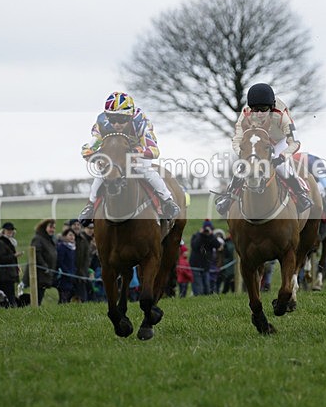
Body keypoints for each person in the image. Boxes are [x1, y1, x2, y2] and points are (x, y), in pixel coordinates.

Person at [78, 91, 180, 222]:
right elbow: (90, 146)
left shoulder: (140, 121)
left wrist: (137, 152)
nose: (116, 124)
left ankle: (167, 200)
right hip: (115, 155)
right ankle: (90, 206)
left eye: (122, 119)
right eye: (112, 119)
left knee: (143, 169)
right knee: (102, 174)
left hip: (138, 150)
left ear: (130, 116)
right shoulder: (102, 123)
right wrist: (92, 155)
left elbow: (154, 151)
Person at [215, 83, 313, 215]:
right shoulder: (245, 114)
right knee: (242, 167)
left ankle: (300, 194)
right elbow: (237, 140)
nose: (259, 113)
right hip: (258, 143)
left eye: (264, 108)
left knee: (281, 167)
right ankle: (228, 196)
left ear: (271, 107)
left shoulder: (281, 115)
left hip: (279, 142)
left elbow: (294, 142)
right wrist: (243, 155)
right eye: (256, 109)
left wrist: (282, 156)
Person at [21, 219, 58, 305]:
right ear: (44, 227)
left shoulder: (49, 239)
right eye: (50, 227)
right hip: (39, 274)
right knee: (37, 297)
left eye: (54, 228)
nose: (52, 230)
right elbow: (36, 254)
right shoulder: (38, 239)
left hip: (45, 275)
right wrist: (44, 266)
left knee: (40, 296)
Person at [189, 220, 223, 296]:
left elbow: (218, 245)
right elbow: (194, 246)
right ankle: (198, 297)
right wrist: (201, 235)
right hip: (196, 266)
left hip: (206, 266)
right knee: (198, 287)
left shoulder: (211, 237)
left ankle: (205, 298)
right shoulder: (196, 236)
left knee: (207, 288)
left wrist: (211, 235)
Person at [0, 222, 20, 307]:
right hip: (4, 275)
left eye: (11, 230)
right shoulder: (0, 243)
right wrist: (14, 256)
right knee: (7, 296)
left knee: (10, 295)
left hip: (10, 274)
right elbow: (0, 259)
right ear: (3, 231)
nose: (10, 232)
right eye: (8, 230)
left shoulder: (9, 242)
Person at [56, 228, 77, 303]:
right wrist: (67, 273)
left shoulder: (73, 248)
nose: (72, 237)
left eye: (73, 235)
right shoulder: (61, 247)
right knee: (63, 298)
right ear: (65, 236)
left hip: (72, 276)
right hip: (64, 277)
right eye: (70, 235)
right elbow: (60, 262)